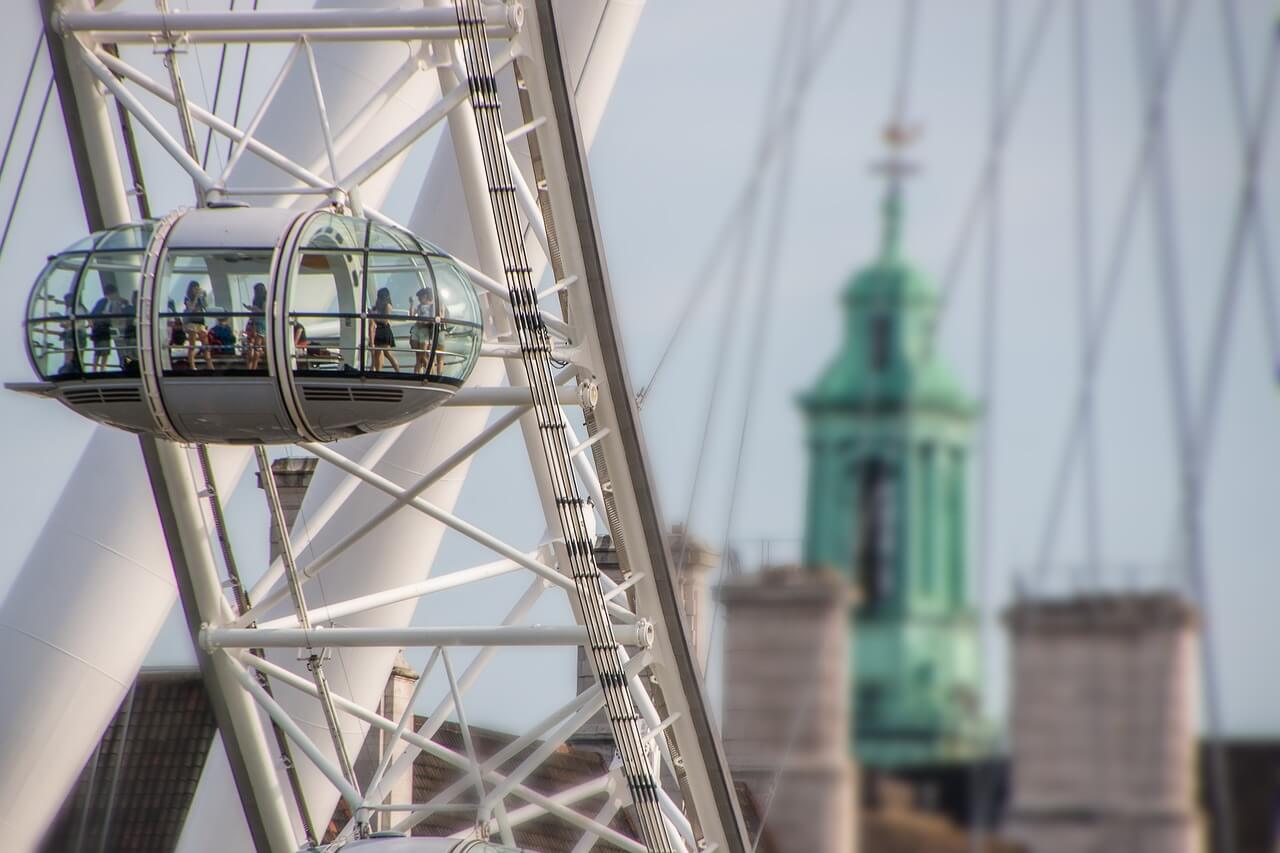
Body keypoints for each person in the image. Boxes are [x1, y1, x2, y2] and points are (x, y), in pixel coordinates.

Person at [88, 282, 126, 371]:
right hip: (100, 328)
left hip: (106, 327)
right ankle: (95, 368)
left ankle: (102, 368)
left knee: (105, 350)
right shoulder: (103, 302)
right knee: (99, 350)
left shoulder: (113, 303)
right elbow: (94, 314)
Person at [368, 286, 400, 372]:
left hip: (384, 329)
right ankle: (377, 372)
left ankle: (398, 371)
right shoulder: (377, 305)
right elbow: (372, 312)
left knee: (388, 353)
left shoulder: (388, 305)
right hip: (378, 330)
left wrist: (375, 317)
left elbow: (385, 320)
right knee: (377, 353)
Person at [183, 280, 213, 369]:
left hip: (200, 322)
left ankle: (210, 365)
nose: (196, 290)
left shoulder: (200, 297)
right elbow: (191, 308)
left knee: (206, 344)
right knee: (192, 344)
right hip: (191, 322)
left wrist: (204, 296)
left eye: (197, 288)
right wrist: (196, 297)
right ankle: (192, 365)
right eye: (195, 288)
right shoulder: (187, 298)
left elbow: (206, 307)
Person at [409, 286, 437, 375]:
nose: (420, 299)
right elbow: (412, 315)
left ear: (425, 296)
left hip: (424, 331)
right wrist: (411, 304)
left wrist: (422, 322)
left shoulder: (432, 307)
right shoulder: (419, 306)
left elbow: (432, 319)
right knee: (418, 355)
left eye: (421, 297)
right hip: (417, 330)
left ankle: (429, 373)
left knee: (423, 354)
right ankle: (419, 373)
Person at [243, 281, 267, 370]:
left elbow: (264, 312)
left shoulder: (264, 299)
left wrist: (255, 309)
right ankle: (252, 367)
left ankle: (253, 367)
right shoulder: (257, 299)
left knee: (256, 346)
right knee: (255, 346)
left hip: (259, 323)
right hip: (256, 322)